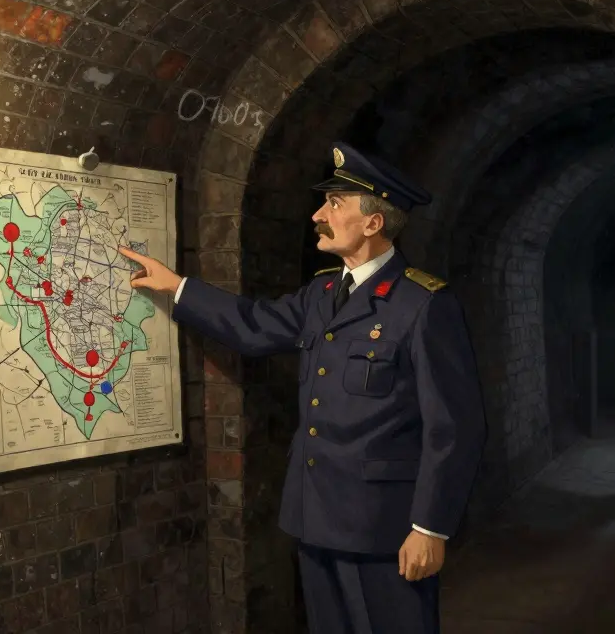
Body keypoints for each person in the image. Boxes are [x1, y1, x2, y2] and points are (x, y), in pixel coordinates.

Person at [119, 142, 486, 633]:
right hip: (315, 516)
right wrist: (178, 287)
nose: (318, 215)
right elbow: (253, 326)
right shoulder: (322, 292)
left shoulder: (423, 305)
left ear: (373, 222)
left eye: (334, 204)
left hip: (384, 528)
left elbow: (455, 427)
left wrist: (430, 527)